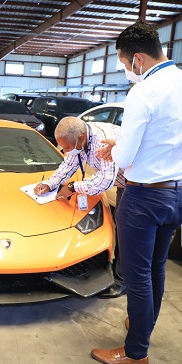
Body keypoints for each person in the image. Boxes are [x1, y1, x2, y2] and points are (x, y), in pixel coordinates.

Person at [91, 19, 182, 364]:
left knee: (136, 277)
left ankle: (136, 352)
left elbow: (124, 159)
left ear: (138, 59)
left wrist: (115, 148)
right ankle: (143, 325)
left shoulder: (143, 91)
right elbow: (165, 138)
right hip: (175, 194)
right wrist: (122, 142)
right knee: (156, 269)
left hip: (143, 199)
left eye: (125, 64)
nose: (127, 70)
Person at [34, 117, 126, 298]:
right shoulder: (78, 141)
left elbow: (104, 182)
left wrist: (71, 187)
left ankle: (122, 280)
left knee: (126, 234)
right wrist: (51, 184)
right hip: (125, 184)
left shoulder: (102, 141)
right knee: (124, 230)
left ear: (81, 137)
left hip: (137, 186)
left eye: (67, 147)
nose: (65, 150)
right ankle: (122, 274)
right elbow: (67, 165)